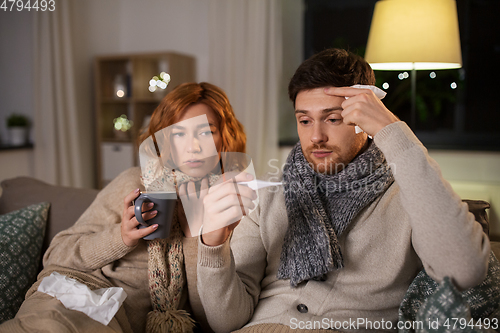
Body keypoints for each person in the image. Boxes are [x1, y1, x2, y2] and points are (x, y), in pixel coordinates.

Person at [195, 48, 491, 332]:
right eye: (304, 120)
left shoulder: (409, 192)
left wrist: (391, 129)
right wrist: (213, 244)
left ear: (363, 118)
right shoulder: (269, 194)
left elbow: (464, 271)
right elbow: (226, 321)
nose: (316, 136)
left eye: (333, 119)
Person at [0, 82, 246, 333]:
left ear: (224, 137)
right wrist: (121, 236)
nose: (193, 145)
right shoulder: (136, 180)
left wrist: (197, 236)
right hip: (64, 295)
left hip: (111, 321)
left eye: (206, 132)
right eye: (179, 133)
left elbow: (208, 316)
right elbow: (56, 255)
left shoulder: (229, 204)